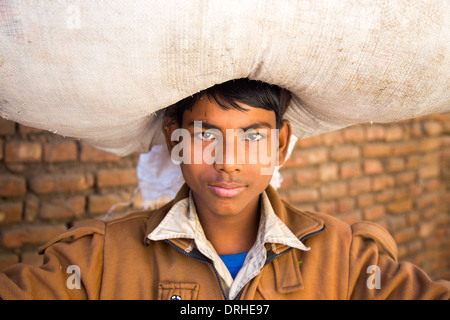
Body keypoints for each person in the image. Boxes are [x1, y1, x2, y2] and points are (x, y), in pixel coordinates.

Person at [0, 78, 449, 300]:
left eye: (252, 138)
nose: (228, 161)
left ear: (281, 143)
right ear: (173, 138)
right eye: (205, 136)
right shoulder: (98, 262)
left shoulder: (347, 261)